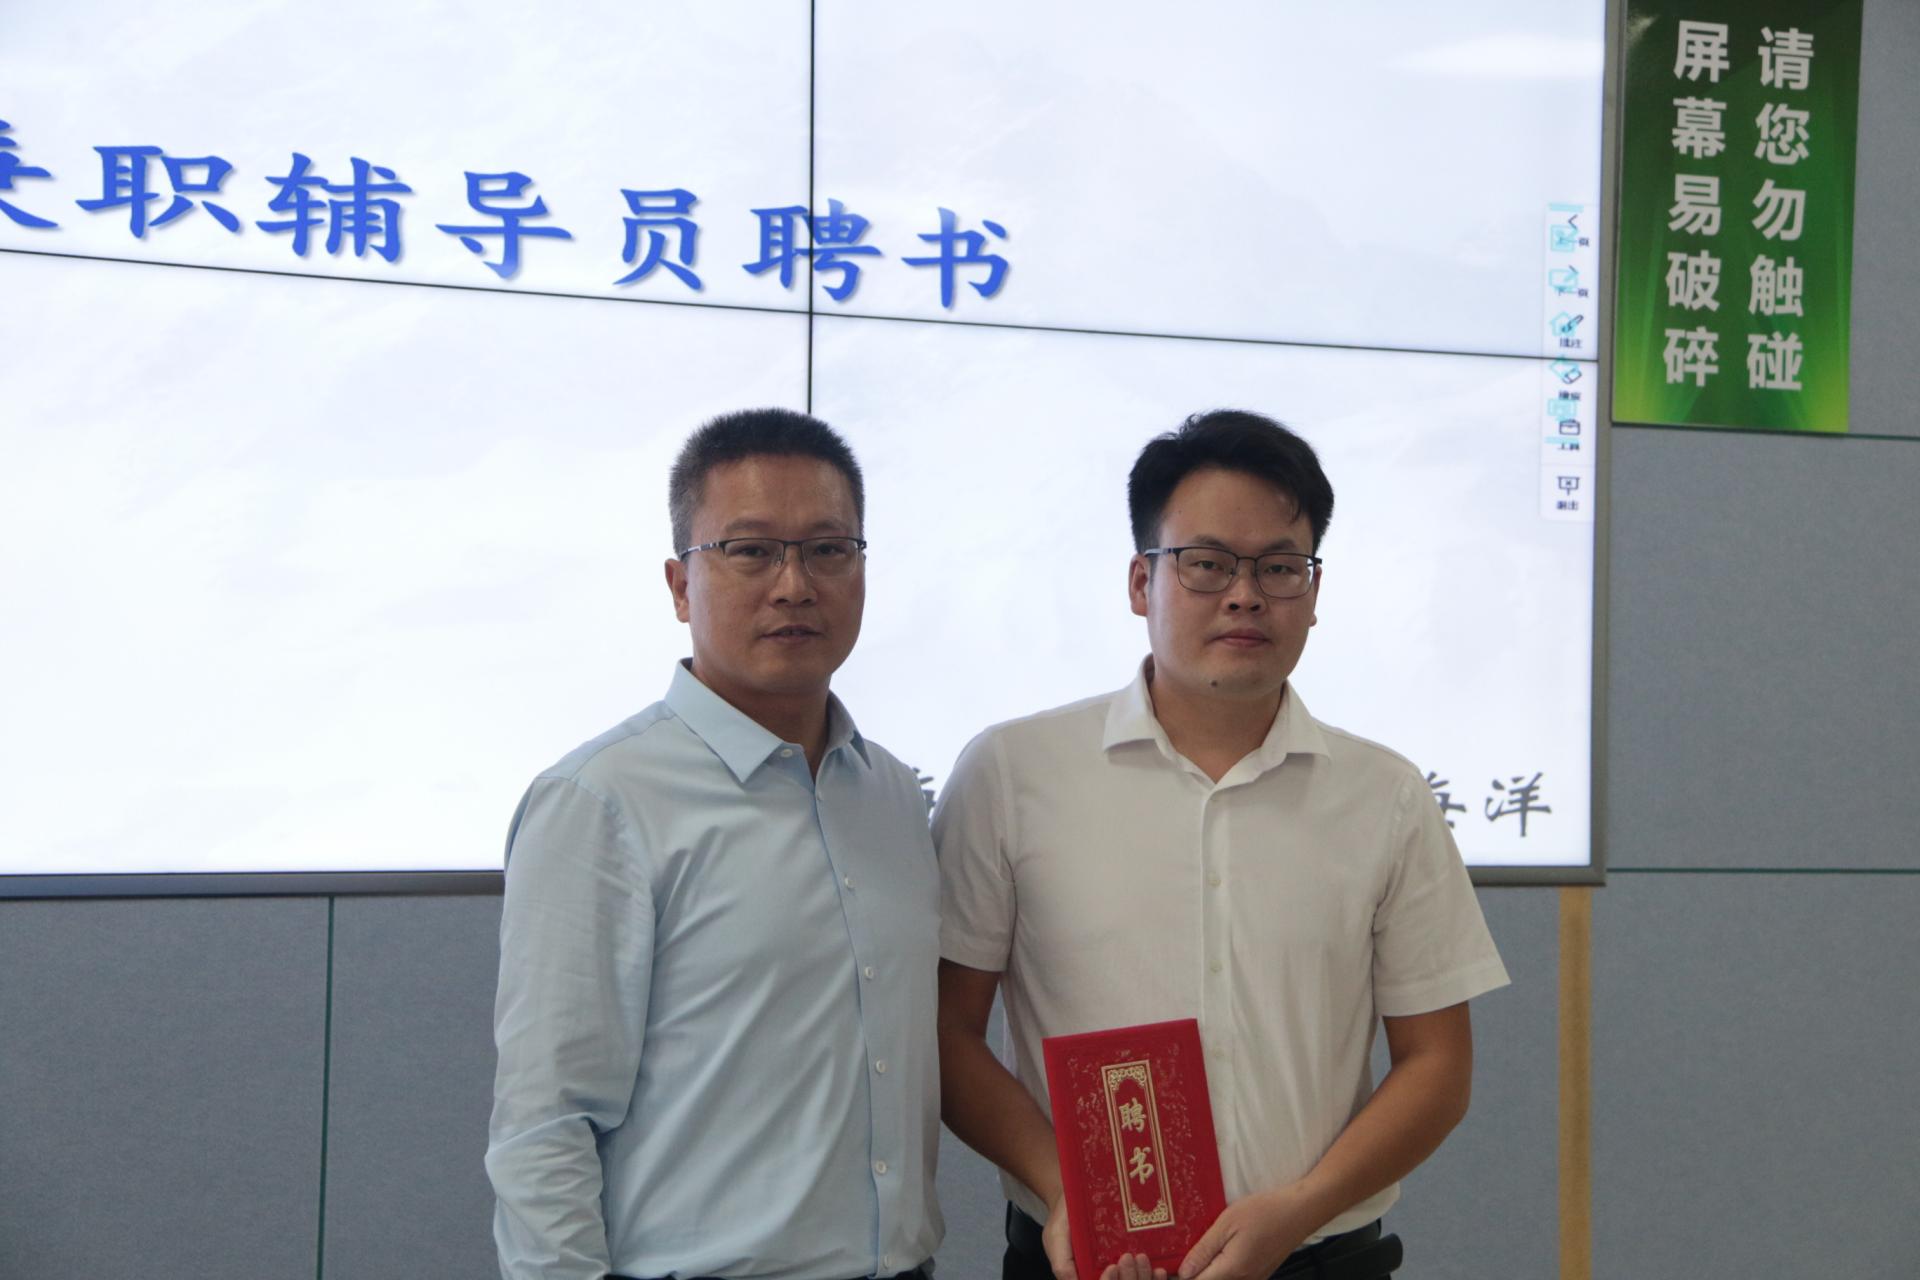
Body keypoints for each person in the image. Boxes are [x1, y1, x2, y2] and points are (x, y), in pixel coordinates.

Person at [935, 410, 1509, 1280]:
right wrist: (1066, 1192)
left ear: (1313, 592)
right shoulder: (1012, 773)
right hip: (1086, 1260)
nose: (1245, 595)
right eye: (1206, 564)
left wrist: (1300, 1208)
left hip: (1320, 1259)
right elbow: (949, 1033)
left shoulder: (1385, 795)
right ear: (1142, 582)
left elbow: (1437, 1066)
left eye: (1279, 567)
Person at [487, 408, 942, 1280]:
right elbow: (545, 1124)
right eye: (750, 550)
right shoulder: (600, 802)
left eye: (828, 550)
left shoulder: (889, 794)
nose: (794, 585)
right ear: (679, 584)